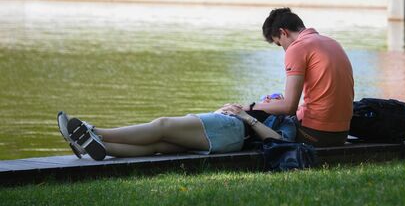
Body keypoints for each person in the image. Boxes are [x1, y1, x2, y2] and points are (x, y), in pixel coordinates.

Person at [234, 8, 355, 147]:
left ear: (283, 32)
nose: (284, 49)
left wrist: (251, 107)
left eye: (280, 44)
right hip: (341, 133)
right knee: (272, 110)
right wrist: (275, 104)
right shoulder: (332, 42)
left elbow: (289, 107)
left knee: (257, 118)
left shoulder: (297, 48)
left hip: (317, 135)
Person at [57, 96, 295, 161]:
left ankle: (94, 132)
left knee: (162, 125)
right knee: (157, 146)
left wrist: (244, 115)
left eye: (277, 97)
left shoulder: (287, 118)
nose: (274, 98)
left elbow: (280, 141)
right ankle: (96, 147)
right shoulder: (275, 110)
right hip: (227, 134)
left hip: (231, 129)